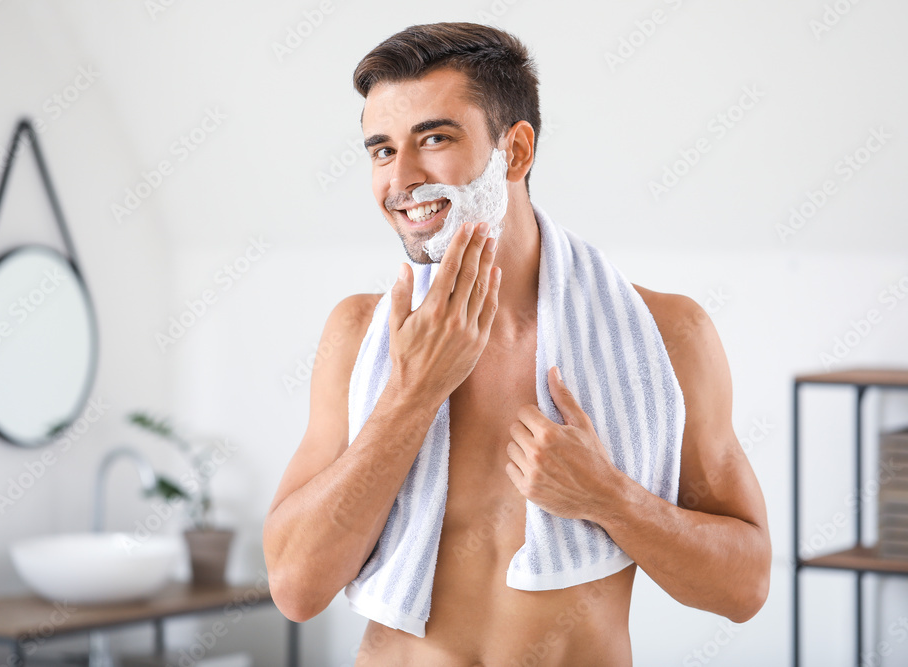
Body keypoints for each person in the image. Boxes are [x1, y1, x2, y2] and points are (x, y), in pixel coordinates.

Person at [262, 22, 770, 666]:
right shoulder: (358, 334)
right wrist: (411, 394)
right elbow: (296, 589)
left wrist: (611, 500)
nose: (402, 179)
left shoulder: (669, 335)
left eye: (435, 138)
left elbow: (745, 587)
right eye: (382, 151)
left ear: (515, 152)